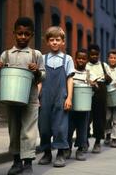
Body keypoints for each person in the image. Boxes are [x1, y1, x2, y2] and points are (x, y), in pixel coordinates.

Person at [0, 17, 45, 175]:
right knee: (14, 130)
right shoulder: (6, 55)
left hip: (30, 99)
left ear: (32, 35)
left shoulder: (36, 55)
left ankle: (28, 162)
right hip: (11, 99)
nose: (23, 37)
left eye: (27, 34)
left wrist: (36, 70)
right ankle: (16, 162)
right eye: (20, 33)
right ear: (14, 33)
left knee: (28, 131)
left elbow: (43, 76)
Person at [38, 26, 75, 168]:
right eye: (51, 40)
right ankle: (47, 152)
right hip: (45, 97)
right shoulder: (42, 58)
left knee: (60, 127)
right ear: (47, 42)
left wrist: (69, 98)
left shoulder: (67, 59)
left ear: (63, 42)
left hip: (61, 96)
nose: (54, 42)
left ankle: (60, 153)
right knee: (44, 126)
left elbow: (70, 79)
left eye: (57, 40)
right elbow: (40, 80)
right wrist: (37, 96)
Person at [85, 44, 112, 153]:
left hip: (101, 91)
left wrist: (107, 78)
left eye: (96, 54)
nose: (94, 56)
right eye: (92, 54)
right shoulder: (86, 65)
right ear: (88, 55)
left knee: (100, 117)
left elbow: (110, 80)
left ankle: (97, 142)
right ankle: (84, 140)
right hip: (87, 91)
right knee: (86, 117)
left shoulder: (103, 65)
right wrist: (90, 82)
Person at [64, 49, 90, 161]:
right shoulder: (71, 71)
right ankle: (67, 148)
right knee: (68, 129)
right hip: (71, 106)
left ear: (87, 60)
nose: (81, 60)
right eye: (79, 58)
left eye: (83, 59)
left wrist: (93, 85)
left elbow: (93, 88)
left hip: (84, 107)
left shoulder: (89, 74)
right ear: (75, 59)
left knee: (82, 129)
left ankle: (80, 149)